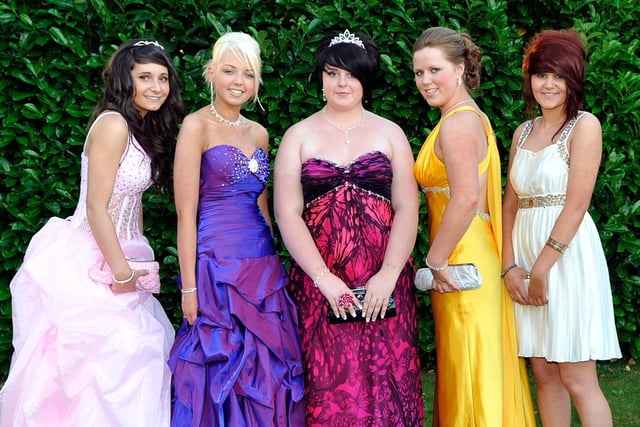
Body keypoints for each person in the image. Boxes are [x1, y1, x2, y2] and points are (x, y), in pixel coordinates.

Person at [0, 39, 183, 426]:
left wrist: (138, 263)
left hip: (125, 254)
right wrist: (121, 273)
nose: (156, 86)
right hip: (90, 259)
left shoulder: (142, 126)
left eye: (163, 78)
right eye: (145, 77)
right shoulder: (114, 124)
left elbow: (128, 204)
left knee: (137, 363)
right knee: (95, 368)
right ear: (124, 80)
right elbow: (97, 207)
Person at [274, 29, 424, 426]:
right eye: (333, 73)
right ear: (320, 79)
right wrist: (324, 280)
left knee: (390, 380)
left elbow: (407, 205)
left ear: (366, 79)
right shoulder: (298, 136)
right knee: (331, 383)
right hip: (322, 281)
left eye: (352, 75)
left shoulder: (390, 133)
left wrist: (389, 274)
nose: (343, 83)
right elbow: (287, 212)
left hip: (385, 280)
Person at [167, 32, 305, 427]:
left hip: (261, 263)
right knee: (221, 360)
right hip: (216, 265)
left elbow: (260, 203)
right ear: (211, 72)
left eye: (248, 74)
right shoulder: (196, 127)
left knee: (268, 362)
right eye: (229, 71)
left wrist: (275, 261)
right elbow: (185, 212)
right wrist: (189, 288)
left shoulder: (259, 133)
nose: (238, 81)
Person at [412, 27, 535, 426]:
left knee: (470, 368)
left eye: (435, 70)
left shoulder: (458, 124)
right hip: (466, 252)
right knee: (468, 365)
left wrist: (436, 259)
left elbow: (465, 198)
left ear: (461, 68)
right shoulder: (462, 118)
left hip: (460, 259)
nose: (426, 81)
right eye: (418, 73)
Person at [502, 29, 621, 427]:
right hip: (524, 259)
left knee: (576, 375)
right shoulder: (522, 133)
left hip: (566, 258)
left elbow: (576, 204)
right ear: (529, 78)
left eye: (558, 75)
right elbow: (509, 205)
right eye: (540, 74)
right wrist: (509, 267)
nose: (548, 84)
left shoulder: (585, 126)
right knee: (544, 373)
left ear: (574, 79)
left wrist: (542, 268)